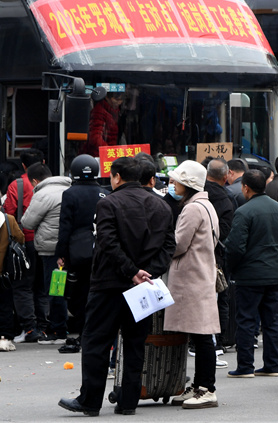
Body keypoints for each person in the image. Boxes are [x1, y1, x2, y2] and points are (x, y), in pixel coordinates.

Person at [58, 157, 175, 416]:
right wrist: (147, 273)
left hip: (108, 284)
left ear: (117, 177)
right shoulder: (162, 205)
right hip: (144, 287)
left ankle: (90, 400)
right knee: (135, 343)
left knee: (97, 341)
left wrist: (132, 272)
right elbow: (169, 246)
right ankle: (128, 402)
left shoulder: (108, 203)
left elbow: (108, 243)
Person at [163, 161, 221, 409]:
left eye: (175, 182)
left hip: (192, 279)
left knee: (202, 336)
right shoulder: (206, 206)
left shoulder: (192, 209)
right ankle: (199, 386)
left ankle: (207, 388)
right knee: (200, 335)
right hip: (201, 275)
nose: (172, 186)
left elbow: (178, 245)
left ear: (188, 184)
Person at [223, 170, 278, 377]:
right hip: (274, 272)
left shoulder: (244, 212)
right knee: (271, 320)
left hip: (250, 274)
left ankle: (245, 366)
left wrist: (230, 267)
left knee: (246, 320)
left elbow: (235, 247)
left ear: (246, 188)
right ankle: (272, 365)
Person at [55, 155, 108, 353]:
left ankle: (84, 331)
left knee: (78, 294)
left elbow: (64, 227)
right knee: (96, 292)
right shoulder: (104, 193)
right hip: (101, 251)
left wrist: (61, 253)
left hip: (77, 253)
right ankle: (95, 331)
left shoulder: (70, 194)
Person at [20, 163, 71, 344]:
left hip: (52, 251)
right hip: (73, 249)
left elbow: (27, 222)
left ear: (34, 180)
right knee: (70, 289)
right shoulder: (70, 188)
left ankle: (58, 331)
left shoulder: (42, 195)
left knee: (56, 289)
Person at [5, 148, 46, 343]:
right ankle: (45, 327)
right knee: (43, 285)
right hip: (48, 243)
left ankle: (30, 329)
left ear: (23, 165)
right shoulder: (53, 184)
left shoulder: (17, 185)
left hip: (25, 240)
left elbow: (9, 213)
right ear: (44, 162)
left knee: (22, 286)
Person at [203, 159, 236, 352]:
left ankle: (196, 340)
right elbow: (226, 230)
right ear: (226, 176)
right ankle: (219, 340)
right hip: (218, 255)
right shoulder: (227, 199)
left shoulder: (195, 193)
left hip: (195, 254)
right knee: (221, 296)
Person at [0, 208, 26, 351]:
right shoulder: (9, 219)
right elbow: (20, 237)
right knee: (5, 305)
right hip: (5, 272)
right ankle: (4, 338)